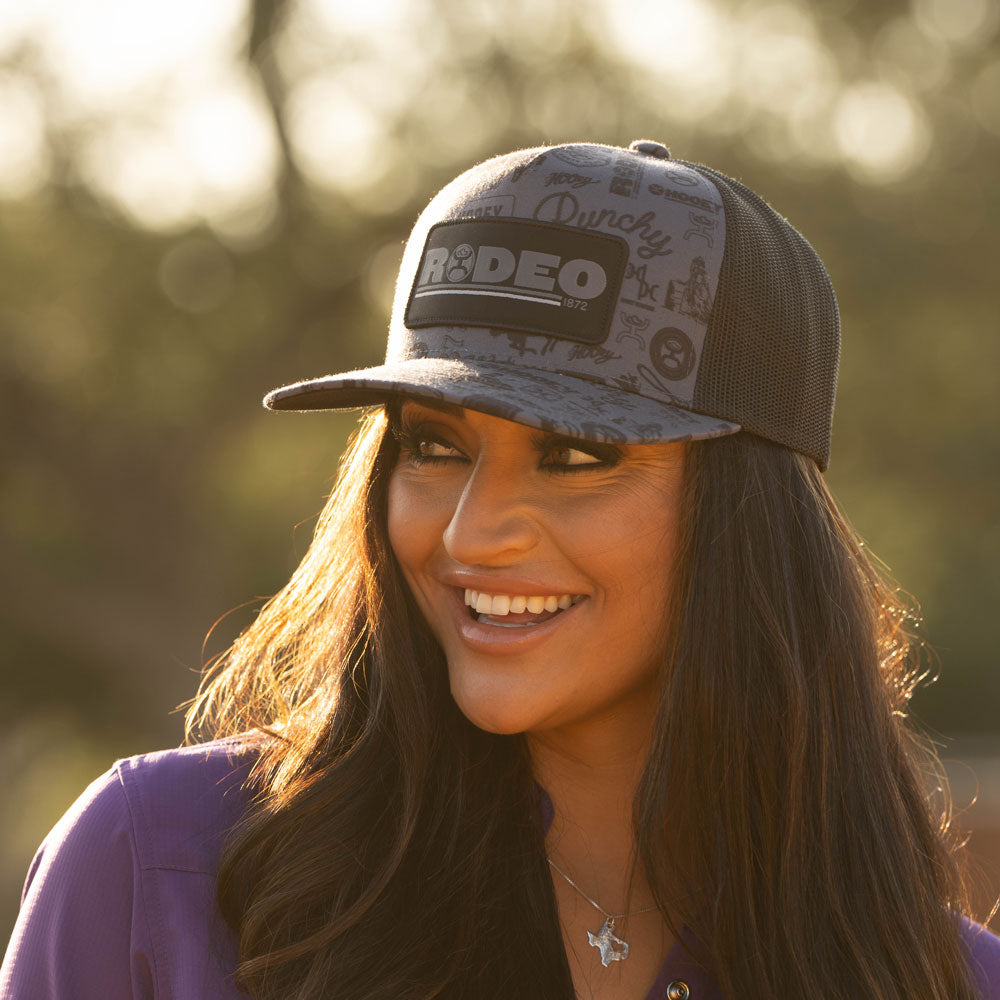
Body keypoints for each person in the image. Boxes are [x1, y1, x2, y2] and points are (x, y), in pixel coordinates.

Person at [2, 139, 999, 1000]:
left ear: (747, 519)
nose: (471, 534)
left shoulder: (930, 977)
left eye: (574, 455)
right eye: (435, 447)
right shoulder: (158, 872)